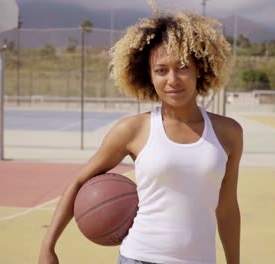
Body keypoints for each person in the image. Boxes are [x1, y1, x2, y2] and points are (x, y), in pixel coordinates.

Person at [38, 7, 242, 264]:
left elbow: (227, 208)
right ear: (149, 75)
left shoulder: (229, 133)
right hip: (140, 257)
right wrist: (48, 246)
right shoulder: (133, 129)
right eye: (161, 70)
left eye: (182, 67)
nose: (173, 79)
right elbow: (80, 181)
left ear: (198, 68)